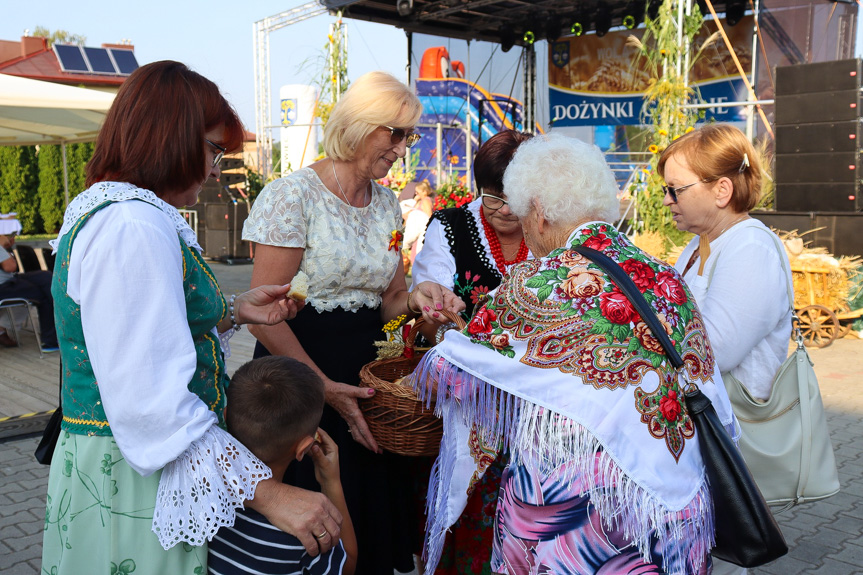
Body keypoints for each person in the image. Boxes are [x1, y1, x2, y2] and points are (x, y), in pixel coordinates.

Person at [42, 61, 343, 575]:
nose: (213, 166)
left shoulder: (124, 213)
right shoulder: (133, 225)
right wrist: (266, 491)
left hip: (128, 460)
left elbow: (140, 332)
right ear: (169, 140)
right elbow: (148, 401)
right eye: (212, 148)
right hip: (136, 472)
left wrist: (234, 311)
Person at [411, 133, 736, 575]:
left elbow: (448, 374)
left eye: (524, 215)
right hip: (673, 511)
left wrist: (445, 339)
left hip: (579, 517)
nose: (523, 226)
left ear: (540, 213)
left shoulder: (538, 282)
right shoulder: (664, 277)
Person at [241, 70, 463, 575]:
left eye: (409, 137)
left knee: (366, 519)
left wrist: (416, 299)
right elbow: (262, 318)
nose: (404, 150)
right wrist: (323, 388)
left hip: (366, 382)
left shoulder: (386, 202)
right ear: (362, 124)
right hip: (297, 378)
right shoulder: (291, 195)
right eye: (397, 134)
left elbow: (388, 300)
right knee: (309, 527)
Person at [658, 124, 792, 575]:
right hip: (706, 431)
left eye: (675, 190)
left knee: (723, 559)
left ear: (721, 189)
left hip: (731, 436)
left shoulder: (749, 246)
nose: (666, 201)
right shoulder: (698, 248)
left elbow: (711, 351)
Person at [409, 129, 532, 575]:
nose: (503, 210)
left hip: (534, 405)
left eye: (514, 198)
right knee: (469, 510)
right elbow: (427, 306)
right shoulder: (452, 226)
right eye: (492, 197)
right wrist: (437, 310)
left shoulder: (550, 228)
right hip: (469, 404)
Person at [209, 356, 357, 575]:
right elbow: (347, 564)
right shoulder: (304, 534)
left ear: (225, 415)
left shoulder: (201, 499)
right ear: (305, 447)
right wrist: (331, 482)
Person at [0, 233, 58, 351]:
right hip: (5, 285)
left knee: (45, 277)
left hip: (10, 280)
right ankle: (50, 341)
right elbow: (10, 267)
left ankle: (54, 334)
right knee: (43, 293)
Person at [401, 179, 434, 264]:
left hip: (422, 231)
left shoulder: (426, 200)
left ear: (424, 191)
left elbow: (429, 216)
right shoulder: (420, 201)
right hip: (417, 232)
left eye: (418, 192)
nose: (416, 194)